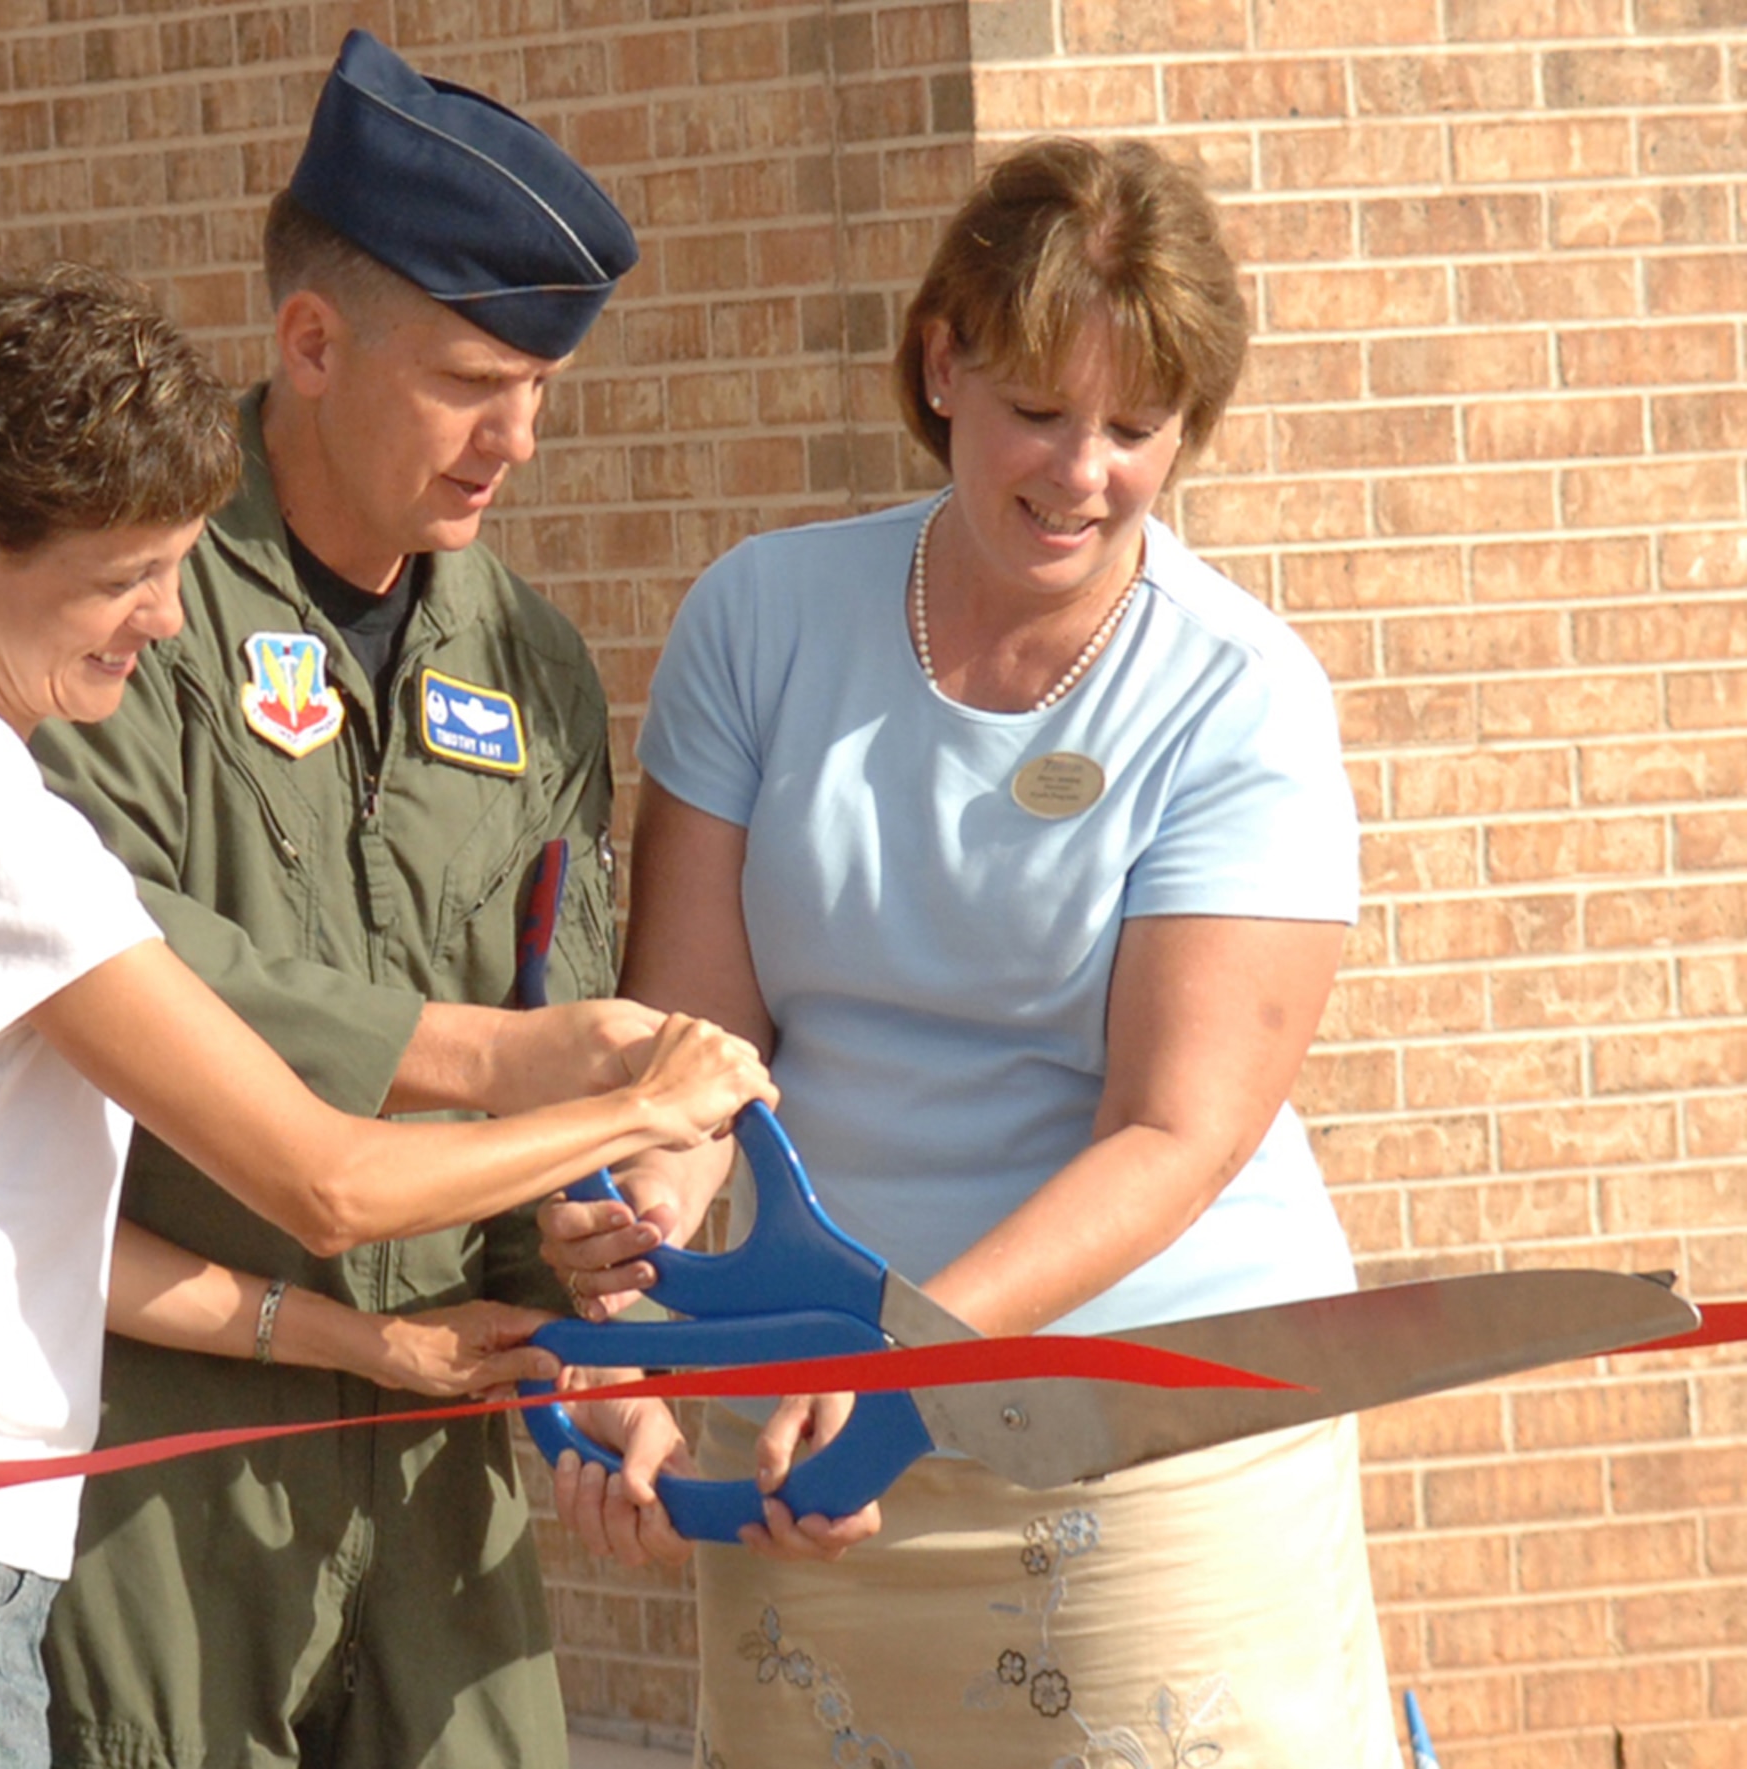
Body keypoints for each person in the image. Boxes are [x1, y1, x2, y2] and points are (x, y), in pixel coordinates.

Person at [0, 264, 773, 1769]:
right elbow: (327, 1176)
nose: (165, 620)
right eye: (122, 575)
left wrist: (364, 1347)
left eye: (174, 565)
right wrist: (636, 1107)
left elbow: (53, 1236)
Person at [541, 137, 1402, 1766]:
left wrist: (899, 1353)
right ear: (942, 362)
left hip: (1144, 1441)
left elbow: (1175, 1129)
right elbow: (694, 1054)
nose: (1083, 470)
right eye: (1039, 410)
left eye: (1138, 429)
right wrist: (641, 1314)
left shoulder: (1243, 693)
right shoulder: (761, 616)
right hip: (823, 1420)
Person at [28, 32, 669, 1769]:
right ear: (310, 341)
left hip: (446, 1492)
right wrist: (491, 1068)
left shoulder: (527, 658)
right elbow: (127, 959)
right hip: (169, 1460)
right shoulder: (125, 595)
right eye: (473, 377)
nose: (515, 438)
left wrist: (597, 1267)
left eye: (538, 385)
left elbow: (561, 1011)